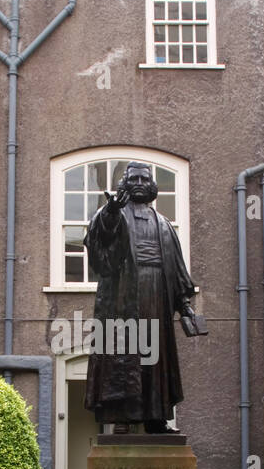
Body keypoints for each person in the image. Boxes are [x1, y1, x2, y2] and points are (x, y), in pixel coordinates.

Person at [83, 161, 201, 434]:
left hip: (158, 298)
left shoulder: (164, 225)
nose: (138, 183)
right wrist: (111, 212)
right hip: (123, 300)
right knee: (124, 356)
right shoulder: (112, 212)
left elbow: (177, 268)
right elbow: (99, 242)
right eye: (133, 178)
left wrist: (184, 307)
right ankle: (123, 417)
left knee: (156, 360)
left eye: (143, 179)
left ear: (152, 186)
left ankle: (155, 417)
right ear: (124, 183)